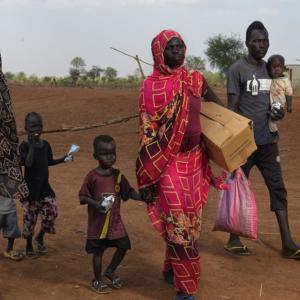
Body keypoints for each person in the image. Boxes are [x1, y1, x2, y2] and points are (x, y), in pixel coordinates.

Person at [136, 29, 226, 300]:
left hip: (196, 163)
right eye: (171, 48)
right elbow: (147, 131)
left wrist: (229, 128)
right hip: (168, 163)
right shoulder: (150, 87)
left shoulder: (194, 79)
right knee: (178, 223)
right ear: (159, 53)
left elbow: (217, 107)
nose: (178, 52)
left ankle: (169, 268)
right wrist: (149, 174)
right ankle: (185, 290)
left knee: (189, 226)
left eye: (180, 46)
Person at [226, 21, 300, 258]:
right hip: (244, 142)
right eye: (256, 41)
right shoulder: (237, 69)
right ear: (247, 43)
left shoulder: (271, 69)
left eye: (265, 40)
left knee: (278, 187)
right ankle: (234, 238)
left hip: (268, 141)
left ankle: (288, 243)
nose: (261, 45)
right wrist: (232, 139)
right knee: (238, 188)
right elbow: (231, 107)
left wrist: (278, 111)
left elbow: (276, 99)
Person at [79, 135, 149, 294]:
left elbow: (128, 192)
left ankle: (110, 270)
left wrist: (142, 197)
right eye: (105, 154)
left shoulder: (118, 176)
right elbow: (82, 196)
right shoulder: (92, 177)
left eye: (112, 153)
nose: (110, 157)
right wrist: (96, 204)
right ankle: (97, 280)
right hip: (98, 224)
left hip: (114, 223)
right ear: (95, 156)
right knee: (98, 251)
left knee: (124, 245)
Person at [19, 112, 69, 257]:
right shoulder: (24, 146)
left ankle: (40, 236)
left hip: (45, 189)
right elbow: (27, 164)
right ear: (26, 128)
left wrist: (63, 159)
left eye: (39, 126)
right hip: (30, 192)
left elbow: (49, 162)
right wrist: (32, 146)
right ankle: (29, 245)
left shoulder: (46, 144)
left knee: (51, 213)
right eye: (33, 126)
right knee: (30, 220)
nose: (36, 129)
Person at [0, 53, 28, 261]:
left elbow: (7, 118)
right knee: (7, 203)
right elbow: (8, 119)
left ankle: (9, 246)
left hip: (4, 156)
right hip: (5, 155)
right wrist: (14, 146)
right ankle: (9, 247)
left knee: (7, 205)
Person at [267, 54, 293, 139]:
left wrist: (289, 105)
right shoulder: (269, 78)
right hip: (269, 102)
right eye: (273, 67)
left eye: (279, 67)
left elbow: (289, 93)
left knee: (272, 119)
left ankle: (274, 133)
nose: (276, 69)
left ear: (283, 68)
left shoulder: (285, 81)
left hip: (278, 103)